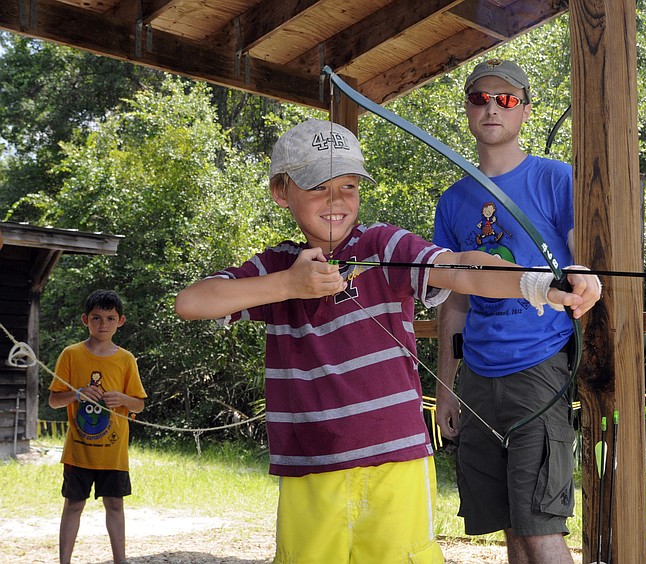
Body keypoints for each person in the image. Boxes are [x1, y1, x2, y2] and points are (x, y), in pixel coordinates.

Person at [174, 117, 599, 564]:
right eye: (318, 186)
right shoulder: (276, 267)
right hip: (309, 468)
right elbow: (192, 301)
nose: (336, 200)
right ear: (282, 192)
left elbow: (458, 267)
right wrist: (289, 285)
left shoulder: (383, 246)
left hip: (396, 462)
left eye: (349, 186)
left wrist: (538, 285)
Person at [433, 59, 602, 563]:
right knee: (510, 522)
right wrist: (446, 387)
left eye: (505, 99)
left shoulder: (556, 179)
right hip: (479, 377)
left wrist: (585, 276)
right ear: (467, 108)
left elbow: (580, 257)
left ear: (525, 110)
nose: (491, 107)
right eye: (480, 97)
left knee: (541, 527)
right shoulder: (453, 201)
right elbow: (454, 300)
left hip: (538, 369)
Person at [48, 289, 147, 564]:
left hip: (113, 454)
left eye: (110, 318)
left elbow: (138, 405)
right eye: (96, 318)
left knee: (115, 505)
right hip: (78, 453)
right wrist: (77, 394)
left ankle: (120, 560)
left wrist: (124, 399)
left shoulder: (126, 359)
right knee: (74, 505)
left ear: (121, 321)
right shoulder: (70, 355)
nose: (103, 325)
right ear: (84, 319)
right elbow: (54, 400)